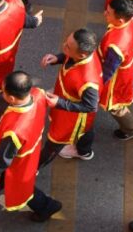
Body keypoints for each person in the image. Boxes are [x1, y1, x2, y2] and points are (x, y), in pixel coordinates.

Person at [0, 71, 61, 222]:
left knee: (22, 188)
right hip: (29, 149)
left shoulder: (15, 130)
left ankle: (46, 206)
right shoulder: (38, 93)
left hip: (19, 162)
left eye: (3, 91)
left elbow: (4, 158)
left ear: (11, 98)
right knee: (10, 180)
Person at [38, 28, 101, 165]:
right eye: (66, 42)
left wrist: (59, 103)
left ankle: (36, 167)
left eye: (68, 46)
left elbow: (90, 106)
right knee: (87, 129)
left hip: (72, 117)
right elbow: (69, 56)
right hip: (65, 102)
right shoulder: (83, 53)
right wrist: (58, 58)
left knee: (54, 144)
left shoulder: (88, 81)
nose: (63, 46)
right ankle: (84, 150)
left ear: (83, 55)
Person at [97, 0, 133, 140]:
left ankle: (132, 128)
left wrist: (97, 86)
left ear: (121, 20)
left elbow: (108, 71)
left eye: (109, 13)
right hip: (126, 66)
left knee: (116, 106)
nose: (105, 13)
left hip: (117, 79)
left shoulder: (115, 46)